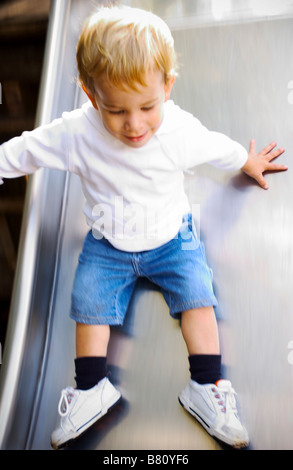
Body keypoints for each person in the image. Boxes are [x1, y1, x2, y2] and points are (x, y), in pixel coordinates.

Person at [0, 5, 287, 450]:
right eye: (115, 111)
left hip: (173, 238)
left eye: (147, 107)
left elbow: (216, 148)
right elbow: (26, 150)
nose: (134, 124)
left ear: (167, 87)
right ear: (90, 96)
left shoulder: (177, 128)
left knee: (199, 297)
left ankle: (207, 387)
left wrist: (249, 162)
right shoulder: (77, 132)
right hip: (107, 244)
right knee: (88, 304)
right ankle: (92, 389)